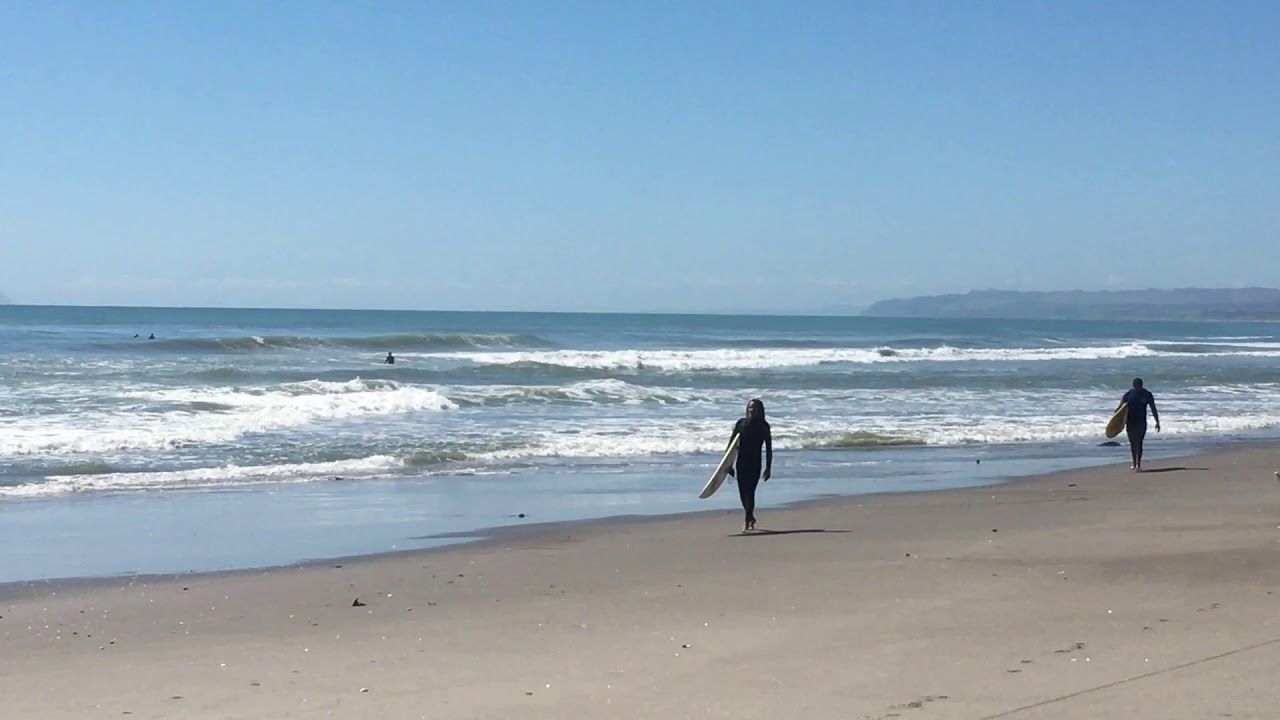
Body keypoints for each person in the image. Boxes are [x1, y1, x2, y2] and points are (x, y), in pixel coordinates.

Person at [726, 398, 772, 532]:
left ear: (760, 410)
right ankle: (750, 516)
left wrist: (768, 468)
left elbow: (769, 448)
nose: (752, 410)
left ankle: (747, 521)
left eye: (755, 408)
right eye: (750, 408)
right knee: (742, 493)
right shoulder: (740, 423)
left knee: (750, 492)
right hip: (741, 462)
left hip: (755, 463)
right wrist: (728, 465)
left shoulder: (764, 426)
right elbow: (731, 446)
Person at [1116, 377, 1160, 472]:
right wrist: (1116, 422)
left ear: (1141, 385)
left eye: (1138, 386)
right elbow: (1120, 409)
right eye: (1136, 386)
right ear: (1133, 385)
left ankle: (1138, 464)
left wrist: (1157, 422)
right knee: (1132, 443)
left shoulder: (1147, 394)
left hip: (1141, 422)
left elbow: (1153, 408)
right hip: (1130, 422)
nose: (1137, 388)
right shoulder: (1128, 395)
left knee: (1139, 443)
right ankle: (1134, 463)